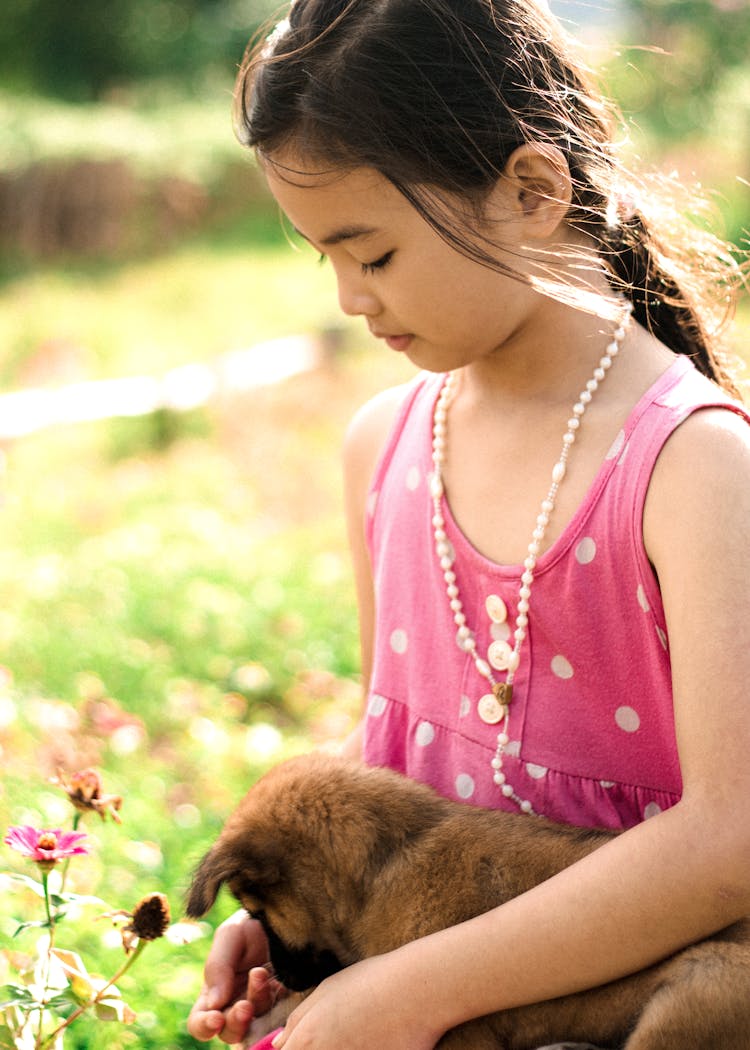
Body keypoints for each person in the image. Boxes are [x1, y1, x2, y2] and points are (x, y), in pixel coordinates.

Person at [188, 1, 750, 1047]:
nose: (354, 299)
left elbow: (731, 843)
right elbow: (399, 754)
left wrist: (408, 992)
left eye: (377, 254)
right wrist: (300, 910)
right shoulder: (384, 444)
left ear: (532, 191)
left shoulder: (695, 468)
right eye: (328, 262)